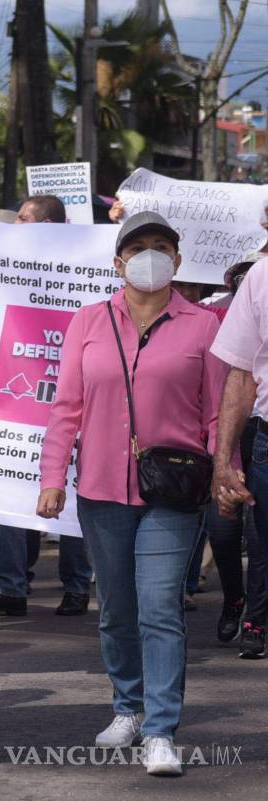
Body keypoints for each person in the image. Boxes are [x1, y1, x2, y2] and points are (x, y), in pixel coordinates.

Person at [38, 211, 222, 777]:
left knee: (160, 607)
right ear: (118, 261)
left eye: (159, 246)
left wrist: (226, 472)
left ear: (178, 259)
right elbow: (66, 407)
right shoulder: (88, 321)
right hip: (100, 489)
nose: (148, 256)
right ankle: (128, 706)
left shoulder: (204, 326)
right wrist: (51, 478)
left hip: (174, 490)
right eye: (136, 247)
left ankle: (161, 729)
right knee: (117, 610)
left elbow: (216, 412)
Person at [0, 197, 93, 619]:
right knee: (13, 488)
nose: (15, 223)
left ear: (45, 224)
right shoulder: (8, 261)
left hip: (70, 391)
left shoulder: (83, 259)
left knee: (71, 491)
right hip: (18, 385)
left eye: (23, 218)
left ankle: (76, 588)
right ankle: (10, 587)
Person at [210, 254, 268, 660]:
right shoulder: (262, 275)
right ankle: (258, 621)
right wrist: (224, 461)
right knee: (262, 542)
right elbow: (241, 373)